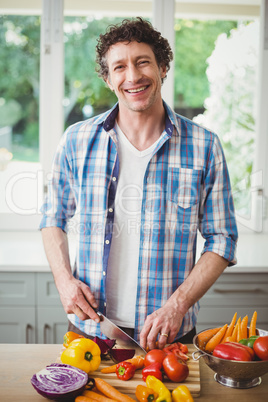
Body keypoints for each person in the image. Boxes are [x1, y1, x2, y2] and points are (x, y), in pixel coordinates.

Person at [40, 17, 238, 351]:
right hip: (91, 329)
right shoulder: (76, 140)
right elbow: (52, 218)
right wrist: (63, 280)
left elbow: (222, 238)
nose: (132, 76)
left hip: (168, 334)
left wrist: (178, 305)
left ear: (163, 67)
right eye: (119, 67)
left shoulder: (204, 146)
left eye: (142, 62)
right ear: (107, 79)